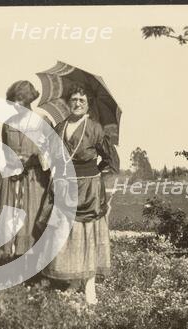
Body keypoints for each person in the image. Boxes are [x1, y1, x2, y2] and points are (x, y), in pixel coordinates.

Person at [43, 84, 119, 305]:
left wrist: (99, 181)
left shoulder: (95, 128)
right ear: (68, 102)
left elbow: (110, 160)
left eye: (81, 100)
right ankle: (74, 281)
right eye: (74, 99)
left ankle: (90, 286)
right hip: (65, 186)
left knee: (88, 235)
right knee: (68, 235)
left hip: (88, 188)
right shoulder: (59, 126)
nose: (77, 103)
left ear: (88, 105)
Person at [0, 81, 51, 262]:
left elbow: (52, 152)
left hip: (35, 178)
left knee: (33, 217)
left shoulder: (42, 122)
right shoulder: (7, 124)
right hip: (13, 177)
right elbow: (5, 149)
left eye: (21, 99)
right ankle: (12, 260)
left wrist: (35, 159)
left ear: (29, 99)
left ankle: (34, 264)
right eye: (14, 100)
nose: (17, 104)